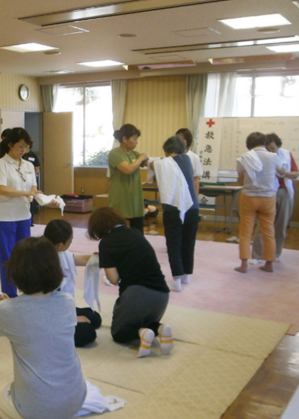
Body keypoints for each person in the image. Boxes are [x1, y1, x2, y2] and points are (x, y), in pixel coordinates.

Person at [0, 237, 87, 419]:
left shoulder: (7, 311)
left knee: (0, 396)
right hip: (76, 399)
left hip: (37, 409)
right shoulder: (67, 301)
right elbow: (34, 315)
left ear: (16, 271)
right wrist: (9, 307)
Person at [88, 207, 173, 358]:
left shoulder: (106, 243)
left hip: (136, 293)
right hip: (162, 294)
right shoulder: (136, 233)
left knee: (119, 333)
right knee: (144, 319)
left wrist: (109, 260)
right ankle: (160, 328)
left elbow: (113, 279)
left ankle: (142, 333)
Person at [0, 127, 54, 298]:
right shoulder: (1, 163)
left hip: (24, 216)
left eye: (26, 147)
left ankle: (27, 291)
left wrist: (44, 199)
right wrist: (26, 194)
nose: (24, 150)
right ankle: (9, 296)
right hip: (5, 217)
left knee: (25, 257)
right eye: (20, 146)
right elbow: (2, 189)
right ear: (10, 144)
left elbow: (33, 187)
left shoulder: (28, 164)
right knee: (7, 259)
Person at [43, 219, 102, 347]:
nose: (72, 242)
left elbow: (79, 259)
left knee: (94, 318)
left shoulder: (58, 252)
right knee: (87, 333)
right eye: (71, 240)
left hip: (62, 307)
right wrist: (72, 319)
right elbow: (46, 303)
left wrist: (105, 257)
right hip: (49, 314)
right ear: (60, 244)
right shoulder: (45, 263)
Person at [152, 136, 199, 292]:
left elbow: (152, 165)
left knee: (174, 243)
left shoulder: (163, 163)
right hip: (192, 207)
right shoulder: (187, 160)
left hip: (173, 209)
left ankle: (177, 279)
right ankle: (186, 275)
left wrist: (144, 158)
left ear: (166, 150)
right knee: (188, 242)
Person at [235, 132, 286, 274]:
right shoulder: (273, 157)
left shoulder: (243, 158)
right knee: (269, 231)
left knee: (245, 232)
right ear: (264, 143)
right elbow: (282, 172)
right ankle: (269, 263)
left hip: (249, 198)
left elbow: (240, 181)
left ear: (248, 145)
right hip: (268, 198)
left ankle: (244, 264)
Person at [252, 133, 299, 262]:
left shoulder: (286, 154)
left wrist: (286, 174)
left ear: (278, 146)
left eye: (273, 149)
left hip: (284, 191)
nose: (271, 152)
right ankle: (257, 255)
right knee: (263, 225)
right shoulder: (261, 156)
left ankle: (275, 255)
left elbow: (296, 173)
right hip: (267, 192)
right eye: (268, 149)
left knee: (280, 225)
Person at [108, 124, 149, 232]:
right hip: (120, 198)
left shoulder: (135, 154)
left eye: (137, 139)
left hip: (135, 198)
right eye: (134, 139)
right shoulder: (115, 153)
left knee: (138, 231)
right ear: (124, 139)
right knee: (119, 231)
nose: (136, 142)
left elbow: (150, 163)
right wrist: (141, 158)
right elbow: (128, 170)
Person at [176, 128, 203, 193]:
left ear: (188, 141)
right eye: (177, 139)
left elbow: (196, 180)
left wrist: (195, 198)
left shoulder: (194, 157)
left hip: (188, 192)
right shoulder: (172, 156)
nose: (179, 142)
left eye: (182, 139)